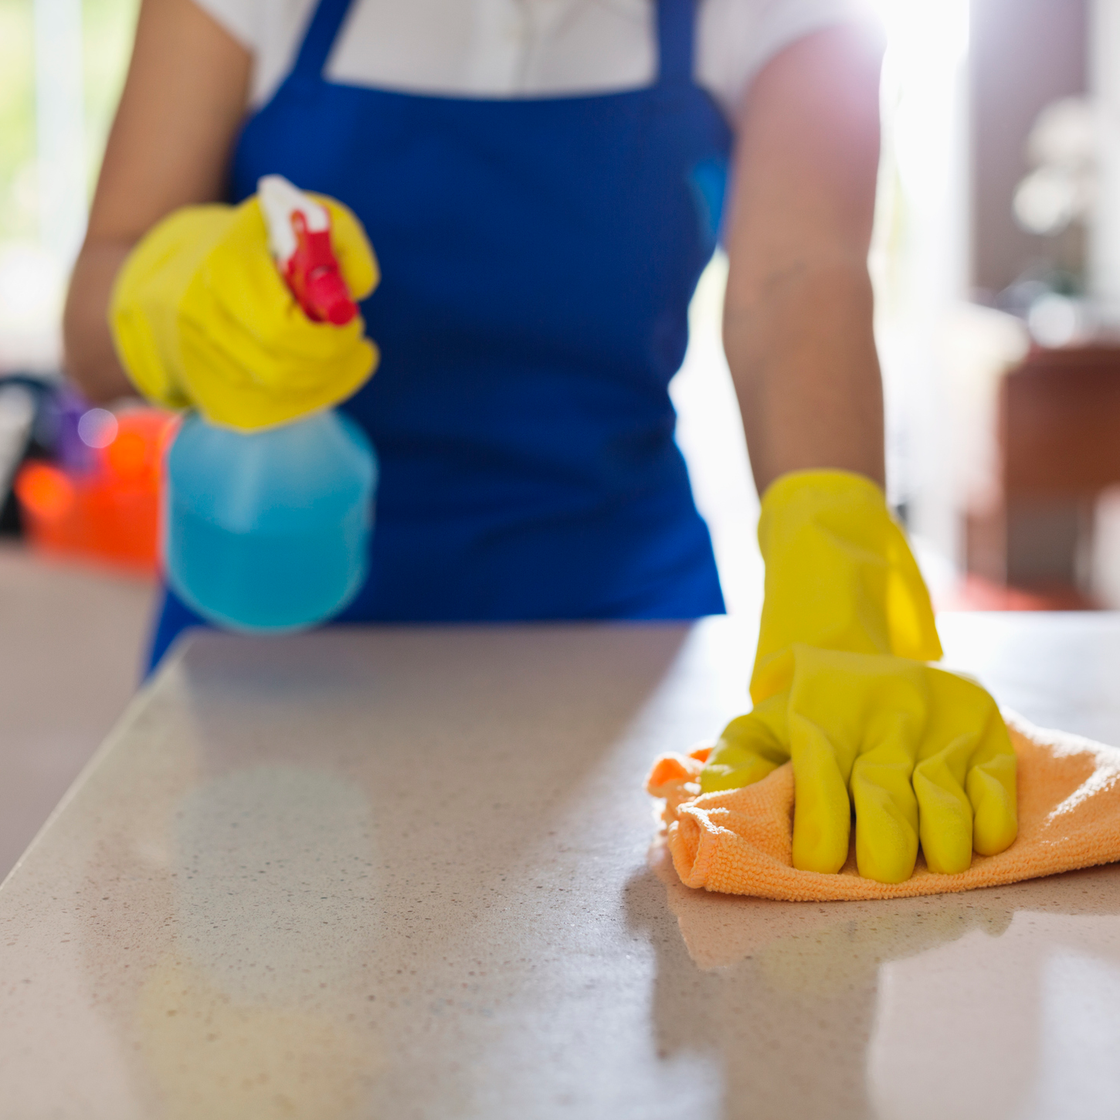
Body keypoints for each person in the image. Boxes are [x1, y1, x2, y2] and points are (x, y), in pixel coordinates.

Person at [63, 0, 1018, 883]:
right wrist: (177, 296)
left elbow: (797, 278)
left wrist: (835, 551)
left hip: (621, 635)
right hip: (273, 621)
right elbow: (89, 325)